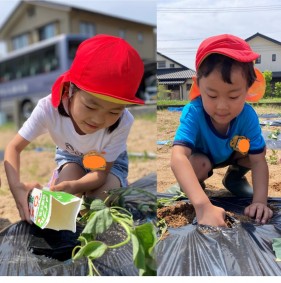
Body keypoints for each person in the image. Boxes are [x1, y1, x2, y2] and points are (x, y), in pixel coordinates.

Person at [4, 34, 144, 223]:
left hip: (106, 164)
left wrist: (76, 185)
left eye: (113, 112)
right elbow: (13, 148)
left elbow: (100, 174)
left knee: (96, 207)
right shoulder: (48, 109)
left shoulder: (124, 122)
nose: (99, 119)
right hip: (71, 157)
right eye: (91, 106)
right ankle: (58, 180)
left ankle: (118, 184)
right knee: (61, 207)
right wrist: (16, 186)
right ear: (71, 89)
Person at [171, 34, 273, 227]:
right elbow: (177, 157)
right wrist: (202, 205)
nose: (222, 106)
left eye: (234, 96)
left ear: (248, 88)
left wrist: (260, 201)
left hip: (232, 154)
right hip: (203, 158)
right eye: (212, 95)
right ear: (198, 84)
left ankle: (234, 178)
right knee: (197, 165)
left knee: (258, 150)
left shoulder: (248, 116)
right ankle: (193, 186)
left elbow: (259, 161)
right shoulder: (194, 112)